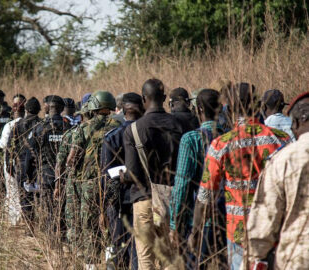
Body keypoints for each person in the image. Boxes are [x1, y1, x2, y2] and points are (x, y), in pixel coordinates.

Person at [189, 83, 290, 270]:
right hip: (276, 230)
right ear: (258, 106)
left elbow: (205, 196)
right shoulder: (282, 139)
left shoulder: (222, 144)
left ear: (230, 110)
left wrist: (195, 231)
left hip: (239, 234)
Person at [122, 79, 183, 269]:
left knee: (146, 259)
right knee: (171, 257)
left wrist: (122, 176)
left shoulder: (133, 129)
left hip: (144, 201)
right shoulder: (180, 125)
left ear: (143, 99)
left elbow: (133, 174)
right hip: (173, 200)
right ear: (165, 98)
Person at [246, 91, 309, 270]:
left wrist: (255, 257)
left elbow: (264, 220)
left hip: (297, 258)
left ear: (295, 124)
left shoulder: (283, 159)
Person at [169, 89, 225, 269]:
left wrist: (175, 224)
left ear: (198, 109)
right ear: (221, 109)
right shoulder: (230, 137)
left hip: (199, 222)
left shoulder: (190, 139)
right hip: (230, 219)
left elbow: (182, 185)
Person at [66, 90, 121, 269]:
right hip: (114, 181)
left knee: (89, 226)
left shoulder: (84, 127)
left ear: (93, 107)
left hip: (89, 184)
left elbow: (72, 159)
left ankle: (91, 264)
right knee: (111, 222)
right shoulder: (119, 126)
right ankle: (110, 259)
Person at [101, 92, 144, 270]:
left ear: (123, 111)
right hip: (145, 198)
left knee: (117, 244)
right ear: (141, 108)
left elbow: (106, 175)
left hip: (118, 200)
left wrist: (105, 205)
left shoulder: (112, 136)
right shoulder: (148, 133)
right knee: (140, 248)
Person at [25, 95, 71, 234]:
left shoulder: (39, 128)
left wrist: (28, 175)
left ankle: (51, 242)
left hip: (45, 175)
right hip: (64, 176)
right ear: (62, 109)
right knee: (63, 210)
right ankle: (62, 239)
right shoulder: (68, 127)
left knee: (48, 210)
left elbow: (29, 153)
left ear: (48, 108)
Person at [55, 94, 92, 250]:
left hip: (75, 184)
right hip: (98, 183)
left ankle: (77, 253)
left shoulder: (72, 133)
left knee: (74, 219)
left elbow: (61, 163)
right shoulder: (110, 130)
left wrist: (58, 185)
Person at [9, 97, 42, 232]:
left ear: (26, 110)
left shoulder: (17, 126)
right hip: (38, 165)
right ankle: (41, 223)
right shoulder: (42, 124)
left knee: (25, 196)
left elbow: (10, 147)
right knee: (40, 196)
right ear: (39, 110)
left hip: (21, 165)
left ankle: (30, 226)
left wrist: (8, 165)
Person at [0, 96, 26, 225]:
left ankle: (14, 220)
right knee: (25, 191)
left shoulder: (9, 126)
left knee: (11, 191)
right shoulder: (31, 123)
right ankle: (25, 217)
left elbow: (2, 144)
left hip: (11, 163)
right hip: (26, 163)